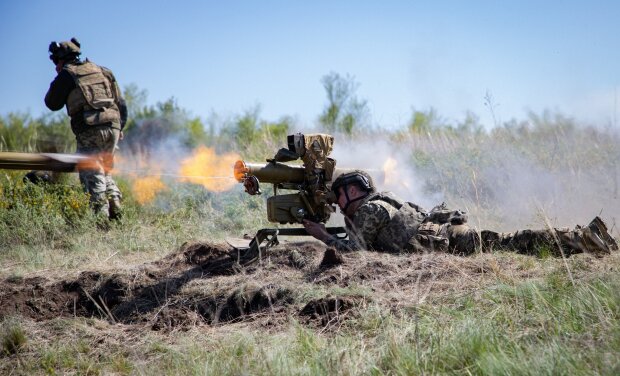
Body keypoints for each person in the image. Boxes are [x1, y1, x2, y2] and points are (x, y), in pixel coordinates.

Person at [303, 170, 619, 257]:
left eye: (340, 194)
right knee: (510, 241)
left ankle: (584, 238)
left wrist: (324, 236)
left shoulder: (370, 209)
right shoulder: (387, 199)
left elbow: (357, 252)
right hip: (447, 236)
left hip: (447, 244)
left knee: (514, 243)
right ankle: (586, 237)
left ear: (354, 191)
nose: (338, 201)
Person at [45, 38, 127, 219]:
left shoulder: (68, 74)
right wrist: (120, 127)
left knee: (91, 171)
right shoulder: (103, 71)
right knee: (104, 169)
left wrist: (60, 77)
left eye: (56, 61)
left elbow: (51, 103)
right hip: (113, 127)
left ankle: (101, 218)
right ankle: (115, 202)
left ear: (61, 59)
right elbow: (121, 103)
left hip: (90, 128)